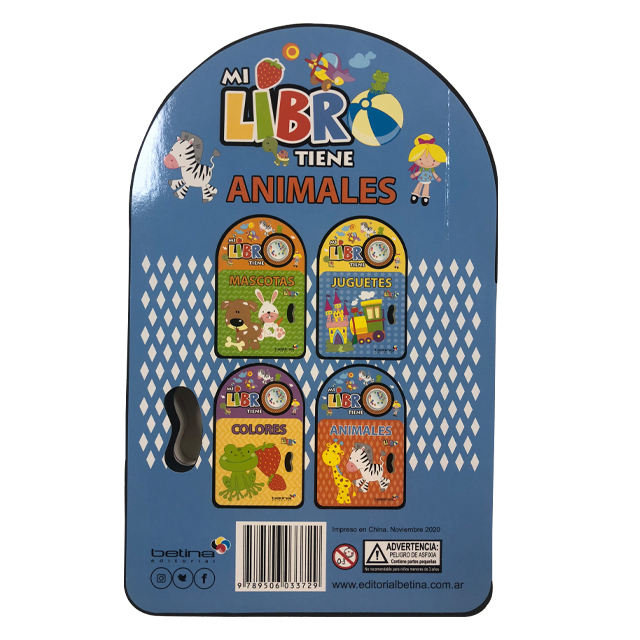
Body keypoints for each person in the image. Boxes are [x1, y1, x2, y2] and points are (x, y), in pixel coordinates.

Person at [408, 134, 447, 206]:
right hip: (422, 178)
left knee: (426, 187)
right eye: (420, 159)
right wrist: (414, 175)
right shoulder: (422, 168)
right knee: (419, 185)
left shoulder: (431, 169)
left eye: (434, 160)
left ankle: (425, 197)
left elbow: (434, 173)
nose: (427, 161)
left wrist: (437, 177)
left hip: (428, 179)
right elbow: (419, 171)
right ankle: (415, 194)